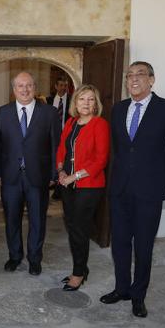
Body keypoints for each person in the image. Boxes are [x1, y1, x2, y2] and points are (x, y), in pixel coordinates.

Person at [100, 61, 165, 318]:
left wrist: (162, 182)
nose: (134, 79)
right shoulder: (119, 109)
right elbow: (116, 150)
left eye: (140, 74)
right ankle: (122, 288)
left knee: (144, 246)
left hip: (149, 191)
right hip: (120, 190)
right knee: (121, 243)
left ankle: (139, 296)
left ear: (152, 79)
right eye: (129, 75)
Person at [0, 72, 60, 275]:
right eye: (20, 86)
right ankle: (15, 257)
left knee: (37, 219)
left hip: (38, 176)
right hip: (10, 176)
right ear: (14, 90)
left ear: (35, 87)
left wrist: (54, 174)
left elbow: (55, 145)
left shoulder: (49, 112)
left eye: (29, 85)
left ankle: (34, 259)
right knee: (11, 219)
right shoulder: (2, 112)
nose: (25, 89)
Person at [55, 84, 110, 291]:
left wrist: (73, 177)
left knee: (79, 229)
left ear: (96, 104)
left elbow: (100, 160)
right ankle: (81, 268)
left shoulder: (100, 125)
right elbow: (62, 148)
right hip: (67, 184)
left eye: (91, 99)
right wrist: (60, 171)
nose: (86, 103)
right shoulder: (71, 122)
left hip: (89, 186)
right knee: (72, 227)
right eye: (82, 99)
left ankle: (78, 273)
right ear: (75, 103)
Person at [47, 76, 71, 200]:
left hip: (67, 135)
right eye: (60, 85)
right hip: (52, 136)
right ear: (56, 86)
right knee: (54, 159)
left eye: (65, 85)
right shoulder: (48, 100)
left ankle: (60, 189)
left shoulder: (72, 100)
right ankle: (53, 181)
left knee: (64, 161)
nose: (63, 88)